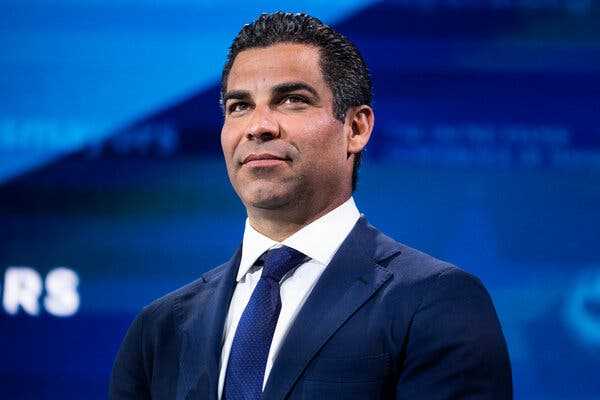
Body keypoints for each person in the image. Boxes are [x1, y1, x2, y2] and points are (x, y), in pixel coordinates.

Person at [110, 12, 512, 400]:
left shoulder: (435, 301)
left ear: (356, 128)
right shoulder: (158, 329)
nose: (258, 126)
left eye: (292, 100)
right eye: (240, 106)